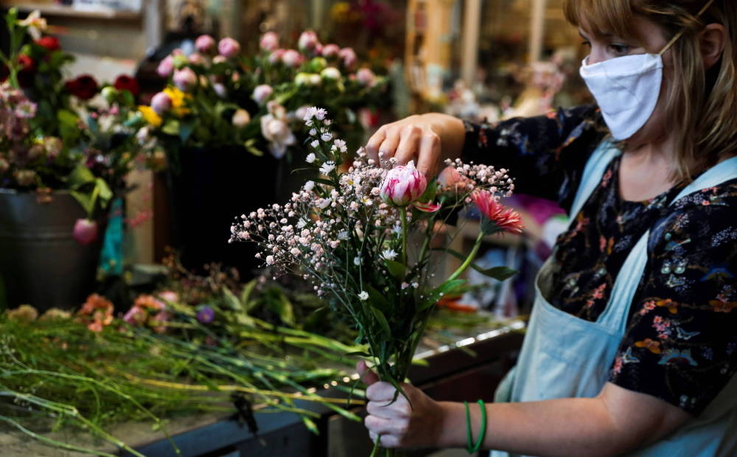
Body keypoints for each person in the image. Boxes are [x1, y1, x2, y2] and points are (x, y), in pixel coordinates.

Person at [358, 0, 737, 455]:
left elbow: (622, 421)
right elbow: (487, 141)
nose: (593, 69)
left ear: (707, 45)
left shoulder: (720, 216)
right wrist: (428, 127)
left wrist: (444, 424)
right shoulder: (596, 143)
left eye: (618, 46)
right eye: (587, 45)